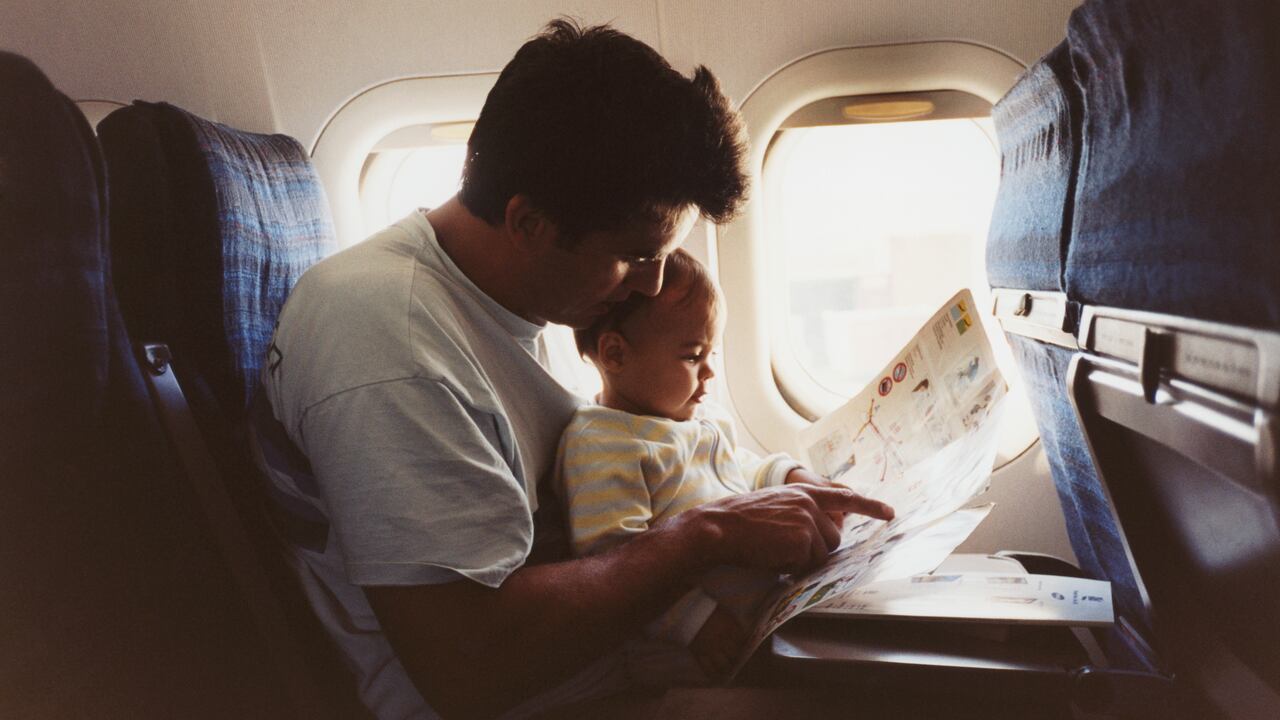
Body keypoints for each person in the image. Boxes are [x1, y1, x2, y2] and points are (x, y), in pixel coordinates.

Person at [252, 18, 893, 720]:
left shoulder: (532, 299)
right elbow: (469, 668)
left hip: (620, 667)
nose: (649, 288)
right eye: (634, 255)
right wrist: (708, 535)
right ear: (529, 223)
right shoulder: (387, 341)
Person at [556, 250, 888, 683]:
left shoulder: (694, 423)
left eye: (712, 352)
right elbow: (613, 560)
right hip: (689, 654)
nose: (710, 372)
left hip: (758, 621)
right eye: (693, 356)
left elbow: (740, 472)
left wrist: (791, 477)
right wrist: (698, 622)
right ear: (616, 355)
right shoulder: (603, 443)